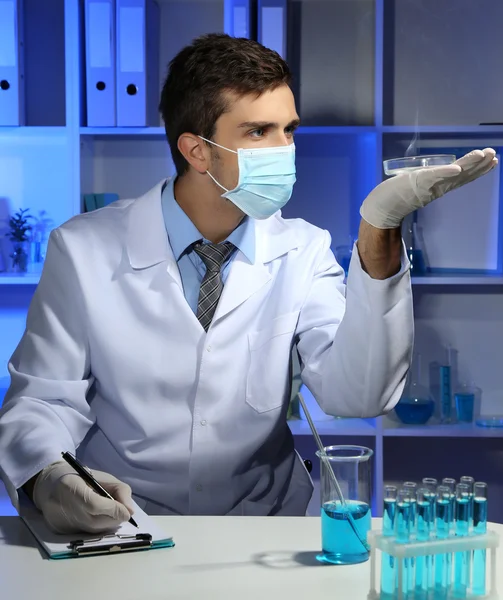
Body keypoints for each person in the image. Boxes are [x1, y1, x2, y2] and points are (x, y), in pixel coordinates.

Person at [0, 34, 496, 534]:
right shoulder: (83, 249)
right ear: (197, 150)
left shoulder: (302, 249)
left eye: (289, 129)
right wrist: (50, 476)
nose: (285, 149)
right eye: (258, 132)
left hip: (264, 526)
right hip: (126, 524)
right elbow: (42, 399)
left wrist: (381, 230)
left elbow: (359, 395)